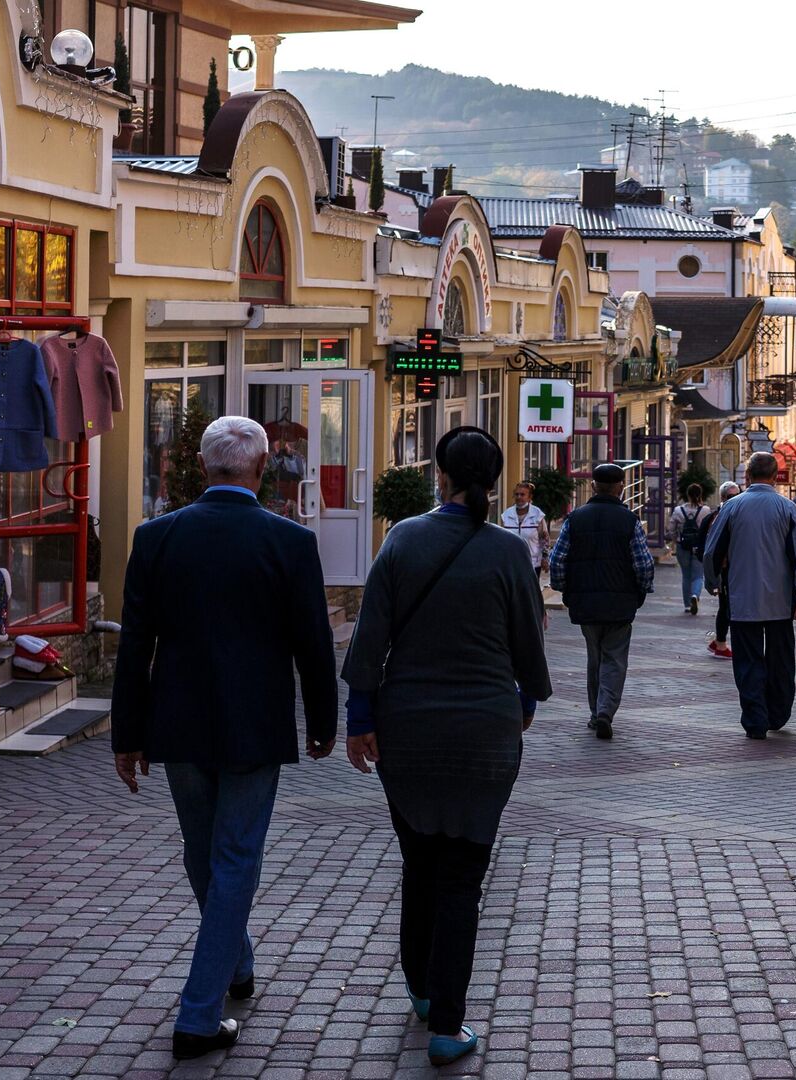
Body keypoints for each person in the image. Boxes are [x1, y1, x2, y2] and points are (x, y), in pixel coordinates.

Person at [110, 416, 337, 1061]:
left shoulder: (157, 536)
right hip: (255, 725)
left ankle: (223, 980)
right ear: (262, 468)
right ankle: (203, 1010)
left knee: (206, 855)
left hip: (178, 722)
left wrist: (127, 734)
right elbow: (313, 642)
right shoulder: (289, 541)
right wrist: (323, 720)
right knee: (227, 858)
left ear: (204, 467)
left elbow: (135, 644)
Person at [342, 427, 552, 1068]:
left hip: (406, 729)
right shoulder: (508, 553)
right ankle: (447, 1025)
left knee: (419, 863)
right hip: (485, 733)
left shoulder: (403, 539)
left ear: (441, 476)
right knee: (462, 877)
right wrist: (521, 706)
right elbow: (530, 649)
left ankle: (423, 990)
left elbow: (369, 638)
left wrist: (359, 717)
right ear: (493, 482)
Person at [703, 453, 796, 739]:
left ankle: (755, 719)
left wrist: (713, 582)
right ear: (776, 476)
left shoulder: (731, 507)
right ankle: (777, 713)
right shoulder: (788, 509)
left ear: (748, 475)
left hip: (743, 599)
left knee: (748, 661)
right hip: (780, 601)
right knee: (781, 660)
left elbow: (712, 551)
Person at [548, 463, 654, 740]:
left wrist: (564, 589)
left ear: (593, 486)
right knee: (614, 659)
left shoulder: (575, 519)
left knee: (594, 657)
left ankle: (596, 713)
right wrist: (642, 590)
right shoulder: (629, 521)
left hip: (585, 603)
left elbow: (557, 560)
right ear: (621, 487)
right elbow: (643, 564)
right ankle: (605, 710)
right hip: (620, 603)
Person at [706, 481, 741, 659]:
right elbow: (711, 549)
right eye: (730, 497)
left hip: (737, 568)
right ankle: (721, 643)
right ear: (722, 497)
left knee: (728, 605)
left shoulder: (736, 514)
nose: (734, 499)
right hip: (726, 569)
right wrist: (712, 577)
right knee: (727, 606)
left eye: (737, 496)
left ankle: (719, 641)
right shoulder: (718, 516)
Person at [668, 483, 714, 615]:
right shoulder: (705, 510)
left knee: (686, 575)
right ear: (700, 494)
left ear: (687, 494)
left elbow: (671, 529)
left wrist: (675, 540)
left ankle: (687, 605)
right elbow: (710, 529)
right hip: (699, 546)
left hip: (682, 546)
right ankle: (695, 595)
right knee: (698, 575)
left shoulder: (678, 510)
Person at [499, 482, 550, 584]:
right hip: (512, 564)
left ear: (529, 497)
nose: (519, 497)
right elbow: (502, 541)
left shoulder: (537, 515)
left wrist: (545, 558)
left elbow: (544, 539)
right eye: (517, 494)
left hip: (532, 564)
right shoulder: (506, 516)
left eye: (522, 495)